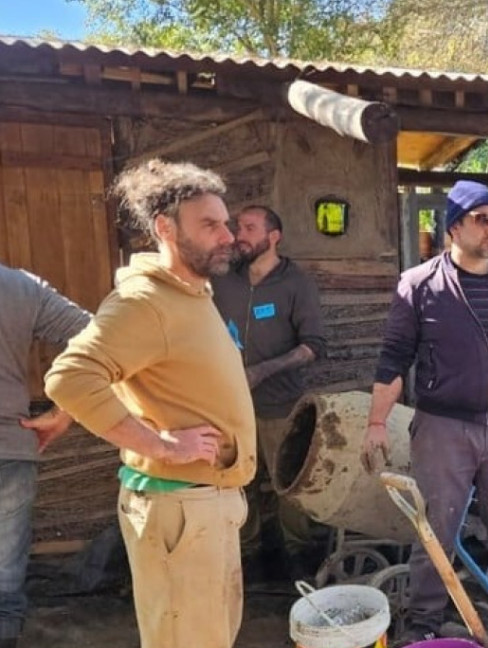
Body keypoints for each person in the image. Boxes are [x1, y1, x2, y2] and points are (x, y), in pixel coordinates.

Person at [45, 159, 253, 648]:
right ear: (165, 228)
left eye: (225, 222)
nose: (226, 236)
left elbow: (137, 378)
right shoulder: (145, 302)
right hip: (179, 507)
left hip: (206, 506)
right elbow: (71, 377)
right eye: (208, 224)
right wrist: (161, 445)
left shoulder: (191, 293)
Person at [364, 180, 488, 647]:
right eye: (482, 219)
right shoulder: (419, 285)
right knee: (437, 527)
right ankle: (425, 619)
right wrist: (376, 422)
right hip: (443, 428)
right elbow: (394, 359)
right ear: (455, 226)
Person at [212, 205, 327, 579]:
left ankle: (299, 557)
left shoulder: (296, 284)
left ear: (273, 236)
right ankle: (248, 552)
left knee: (287, 481)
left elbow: (313, 346)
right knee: (237, 480)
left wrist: (263, 370)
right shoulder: (224, 280)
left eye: (248, 228)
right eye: (237, 226)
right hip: (230, 406)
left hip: (280, 404)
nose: (238, 234)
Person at [0, 265, 90, 648]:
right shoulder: (19, 286)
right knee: (3, 584)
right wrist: (67, 409)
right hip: (11, 446)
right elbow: (100, 338)